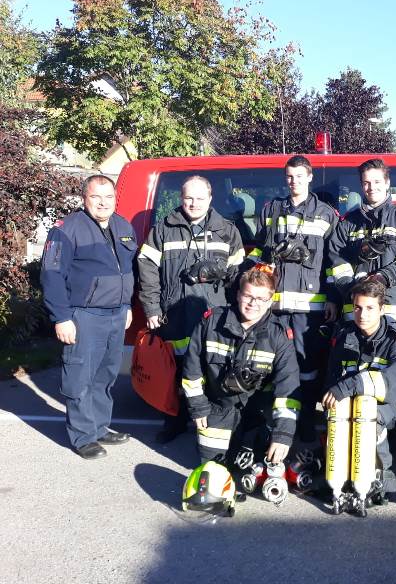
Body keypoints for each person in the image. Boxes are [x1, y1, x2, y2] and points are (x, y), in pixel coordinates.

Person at [138, 174, 245, 444]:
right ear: (181, 198)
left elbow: (239, 274)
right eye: (189, 198)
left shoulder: (227, 230)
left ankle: (209, 421)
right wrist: (151, 307)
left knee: (213, 369)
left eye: (200, 198)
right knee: (175, 370)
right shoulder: (164, 228)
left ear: (210, 198)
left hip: (214, 313)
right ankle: (174, 420)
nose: (194, 203)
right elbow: (147, 269)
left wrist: (225, 278)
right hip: (174, 312)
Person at [40, 175, 137, 459]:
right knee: (80, 375)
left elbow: (127, 271)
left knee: (105, 375)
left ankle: (99, 427)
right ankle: (82, 437)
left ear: (115, 198)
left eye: (108, 197)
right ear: (85, 199)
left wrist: (127, 305)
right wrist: (61, 317)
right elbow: (51, 275)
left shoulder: (123, 226)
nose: (103, 203)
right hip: (83, 315)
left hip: (117, 314)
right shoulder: (66, 230)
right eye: (96, 197)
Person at [243, 155, 338, 441]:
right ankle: (277, 423)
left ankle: (305, 420)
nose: (293, 181)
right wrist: (252, 270)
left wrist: (333, 297)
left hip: (309, 308)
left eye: (299, 176)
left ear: (310, 177)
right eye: (289, 176)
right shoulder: (272, 209)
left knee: (306, 368)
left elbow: (333, 260)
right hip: (274, 305)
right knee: (272, 364)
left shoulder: (326, 214)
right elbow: (260, 249)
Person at [181, 267, 301, 465]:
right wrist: (198, 408)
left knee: (259, 468)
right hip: (219, 408)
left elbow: (288, 386)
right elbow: (191, 370)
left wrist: (282, 434)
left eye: (261, 298)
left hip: (258, 412)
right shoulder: (211, 322)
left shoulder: (279, 334)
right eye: (248, 296)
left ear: (270, 301)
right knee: (212, 466)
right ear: (238, 295)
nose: (253, 303)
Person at [322, 280, 396, 493]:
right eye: (357, 307)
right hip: (359, 401)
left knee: (368, 416)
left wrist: (347, 388)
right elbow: (333, 378)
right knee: (341, 411)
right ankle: (341, 479)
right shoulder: (345, 336)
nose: (362, 314)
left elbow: (392, 384)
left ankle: (380, 480)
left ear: (382, 309)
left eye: (370, 308)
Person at [328, 158, 396, 326]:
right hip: (356, 312)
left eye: (377, 181)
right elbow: (337, 263)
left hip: (392, 312)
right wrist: (354, 288)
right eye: (366, 183)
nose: (372, 187)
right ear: (361, 185)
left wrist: (383, 277)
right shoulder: (347, 223)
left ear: (387, 183)